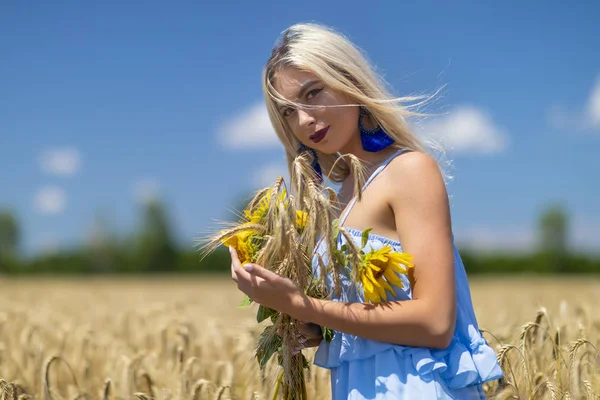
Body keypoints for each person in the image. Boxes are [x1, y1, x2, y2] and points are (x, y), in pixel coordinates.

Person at [229, 23, 504, 399]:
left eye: (313, 94)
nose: (304, 120)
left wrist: (301, 303)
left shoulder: (408, 171)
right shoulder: (329, 203)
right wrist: (304, 323)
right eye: (289, 112)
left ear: (348, 81)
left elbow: (434, 322)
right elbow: (360, 319)